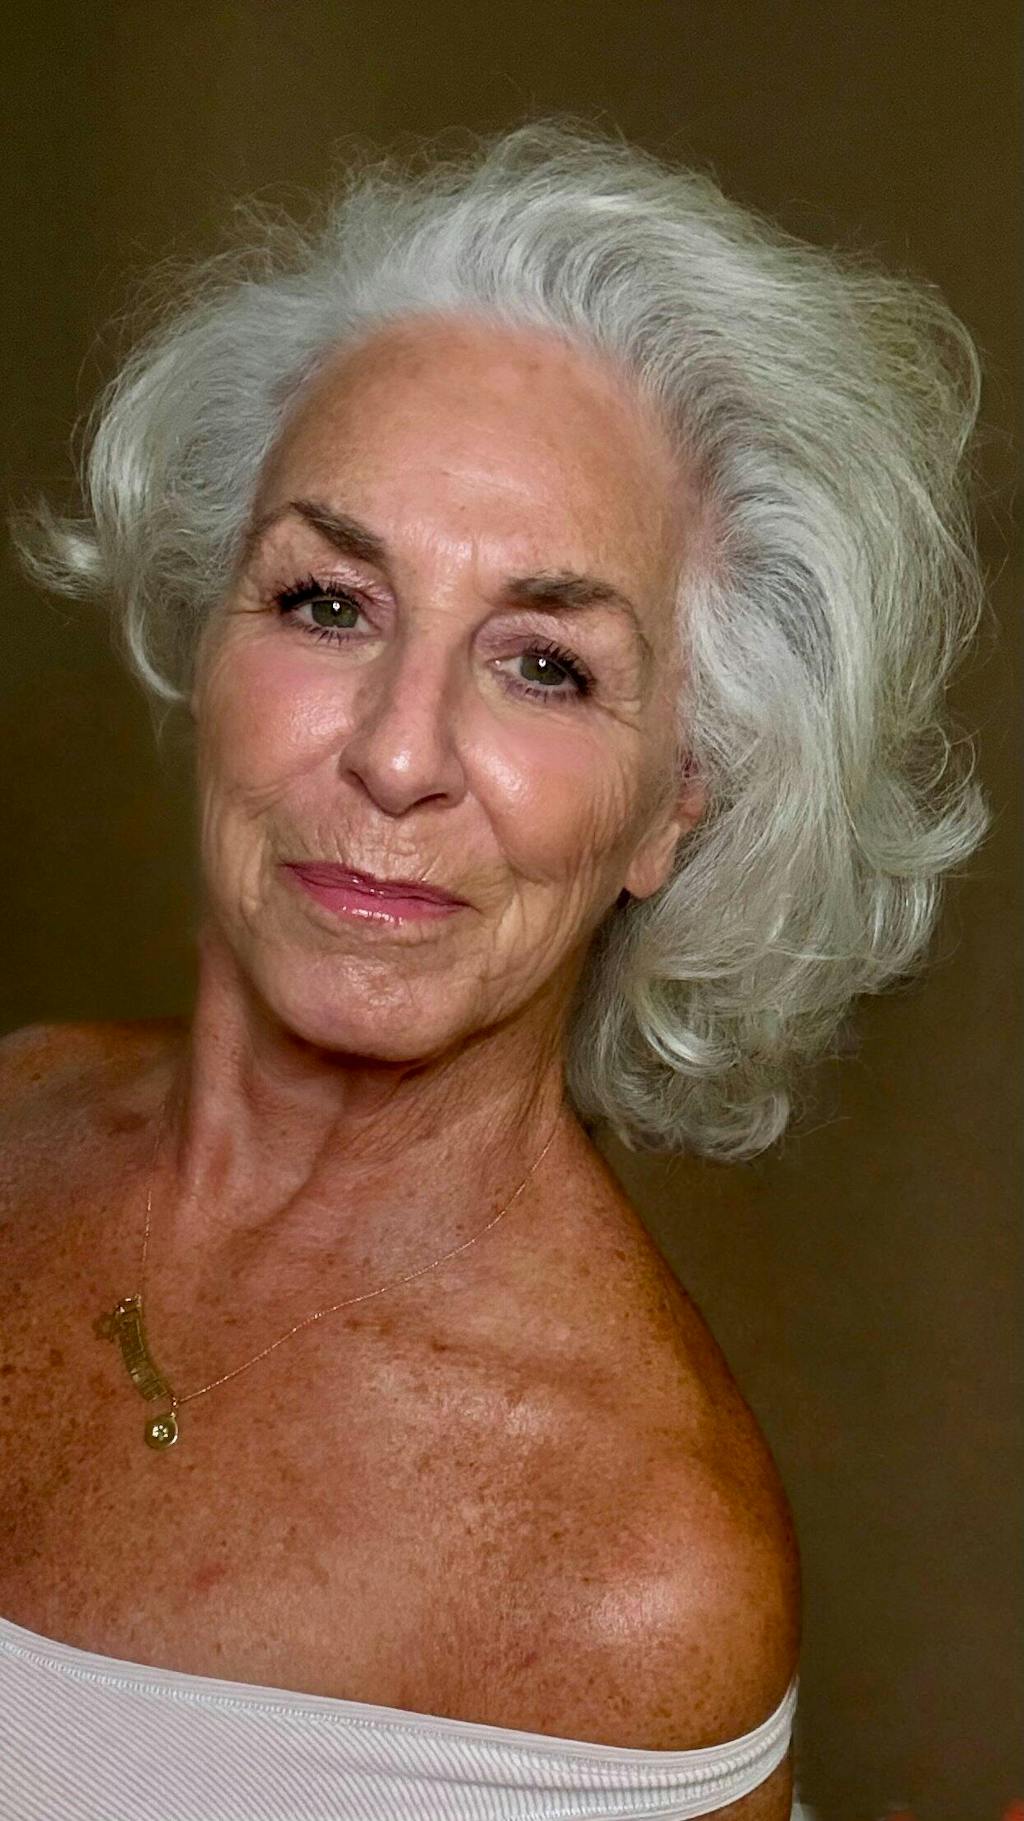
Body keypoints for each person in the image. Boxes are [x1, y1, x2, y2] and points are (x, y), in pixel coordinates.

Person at [0, 119, 987, 1821]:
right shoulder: (16, 1111)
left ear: (675, 802)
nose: (398, 753)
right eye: (329, 602)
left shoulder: (639, 1578)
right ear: (207, 629)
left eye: (546, 664)